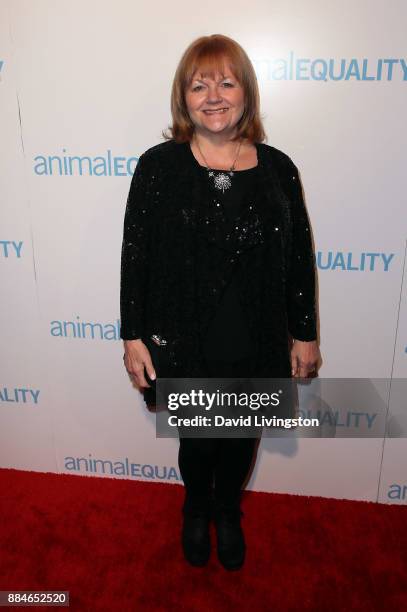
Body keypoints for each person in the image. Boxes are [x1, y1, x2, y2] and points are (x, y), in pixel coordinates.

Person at [120, 34, 321, 570]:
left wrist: (304, 332)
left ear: (246, 94)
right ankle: (195, 508)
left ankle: (228, 512)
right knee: (199, 439)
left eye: (226, 82)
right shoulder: (158, 166)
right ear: (183, 97)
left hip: (253, 335)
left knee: (239, 441)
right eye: (198, 83)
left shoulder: (280, 168)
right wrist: (132, 334)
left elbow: (299, 256)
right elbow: (134, 254)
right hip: (184, 335)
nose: (213, 95)